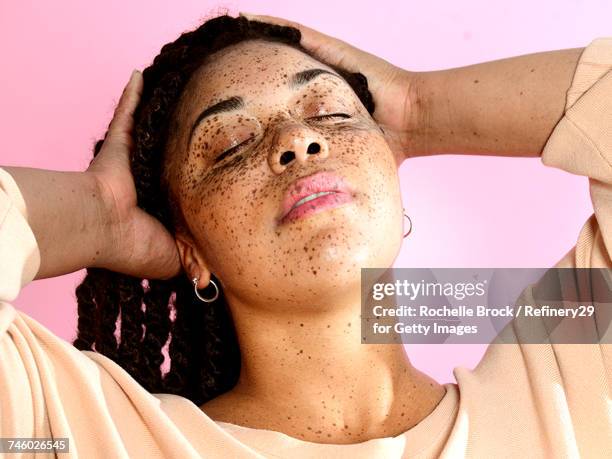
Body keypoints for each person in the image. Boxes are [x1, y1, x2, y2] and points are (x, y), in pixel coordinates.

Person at [0, 12, 610, 458]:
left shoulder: (571, 384)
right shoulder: (81, 434)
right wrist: (98, 212)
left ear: (390, 168)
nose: (296, 141)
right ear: (191, 250)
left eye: (331, 113)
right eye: (232, 144)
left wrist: (421, 106)